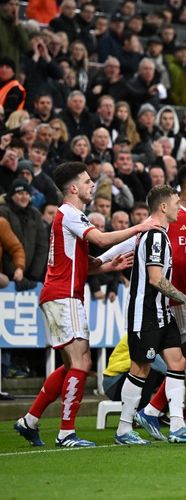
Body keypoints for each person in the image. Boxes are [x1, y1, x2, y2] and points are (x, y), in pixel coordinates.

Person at [14, 161, 153, 448]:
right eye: (88, 181)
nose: (93, 185)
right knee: (82, 362)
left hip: (63, 293)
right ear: (74, 188)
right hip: (63, 296)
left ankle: (30, 421)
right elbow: (101, 239)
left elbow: (78, 263)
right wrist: (141, 226)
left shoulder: (71, 216)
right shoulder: (69, 213)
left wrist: (106, 267)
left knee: (70, 366)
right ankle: (66, 433)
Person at [122, 163, 186, 440]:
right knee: (140, 368)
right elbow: (155, 279)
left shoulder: (163, 235)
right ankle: (124, 427)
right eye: (174, 203)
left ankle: (177, 426)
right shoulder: (155, 237)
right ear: (163, 207)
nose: (178, 207)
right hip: (146, 312)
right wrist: (185, 298)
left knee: (178, 362)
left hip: (164, 313)